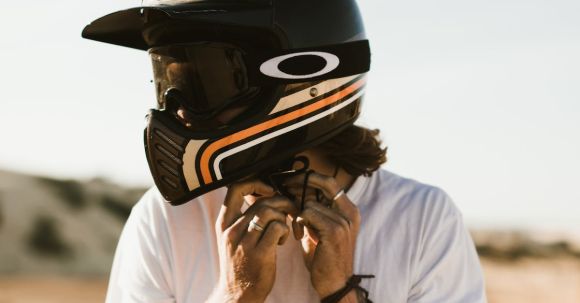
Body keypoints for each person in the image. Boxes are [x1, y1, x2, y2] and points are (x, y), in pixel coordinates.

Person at [83, 0, 487, 302]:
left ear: (304, 73)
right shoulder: (165, 219)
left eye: (204, 82)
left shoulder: (420, 219)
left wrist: (340, 292)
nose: (179, 110)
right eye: (167, 81)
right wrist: (235, 295)